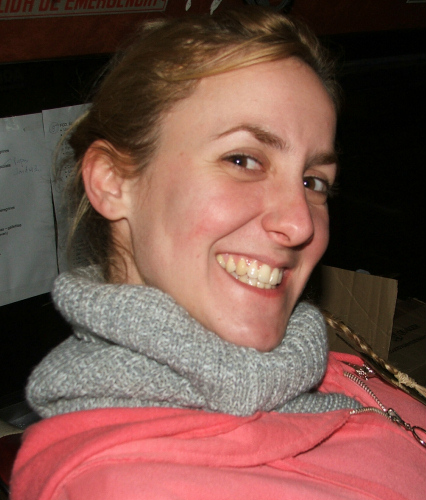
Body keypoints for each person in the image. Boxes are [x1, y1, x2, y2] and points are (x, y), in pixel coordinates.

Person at [10, 7, 426, 500]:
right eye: (244, 160)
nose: (300, 223)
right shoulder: (125, 486)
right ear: (113, 181)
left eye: (314, 182)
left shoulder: (307, 369)